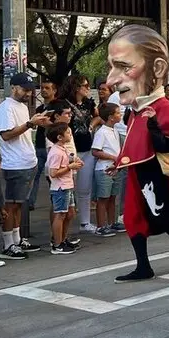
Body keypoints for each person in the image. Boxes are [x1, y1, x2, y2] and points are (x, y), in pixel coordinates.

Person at [106, 24, 169, 283]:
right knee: (134, 220)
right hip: (138, 174)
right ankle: (143, 265)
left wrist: (155, 131)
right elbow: (133, 145)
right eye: (111, 68)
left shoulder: (164, 108)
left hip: (158, 174)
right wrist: (118, 162)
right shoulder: (135, 110)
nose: (111, 80)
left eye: (124, 67)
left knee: (168, 218)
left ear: (157, 69)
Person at [0, 73, 48, 259]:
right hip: (15, 164)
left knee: (19, 205)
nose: (28, 92)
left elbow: (23, 131)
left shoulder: (22, 107)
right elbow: (6, 135)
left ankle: (17, 240)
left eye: (30, 89)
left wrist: (36, 123)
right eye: (25, 89)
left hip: (27, 161)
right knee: (11, 205)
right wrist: (29, 123)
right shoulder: (6, 108)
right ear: (14, 88)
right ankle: (8, 245)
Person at [59, 74, 100, 234]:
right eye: (85, 86)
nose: (88, 89)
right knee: (66, 187)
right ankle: (62, 225)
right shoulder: (63, 104)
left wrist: (91, 125)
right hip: (69, 149)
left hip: (87, 148)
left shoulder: (89, 103)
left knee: (85, 187)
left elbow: (98, 117)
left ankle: (85, 222)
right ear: (76, 87)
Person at [47, 124, 80, 254]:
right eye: (67, 132)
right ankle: (57, 244)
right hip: (60, 187)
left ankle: (63, 238)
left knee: (70, 213)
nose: (70, 134)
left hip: (67, 185)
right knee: (60, 214)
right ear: (59, 137)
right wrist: (70, 167)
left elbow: (67, 163)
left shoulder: (63, 149)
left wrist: (74, 163)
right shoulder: (55, 152)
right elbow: (53, 173)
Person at [90, 103, 121, 237]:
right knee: (103, 198)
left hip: (115, 168)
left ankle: (112, 222)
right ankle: (101, 226)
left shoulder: (115, 130)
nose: (120, 115)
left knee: (113, 197)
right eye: (118, 113)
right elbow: (96, 151)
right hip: (104, 168)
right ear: (110, 117)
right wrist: (113, 157)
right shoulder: (101, 132)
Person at [27, 79, 57, 211]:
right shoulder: (39, 108)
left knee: (53, 176)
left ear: (54, 90)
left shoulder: (59, 106)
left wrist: (48, 122)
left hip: (53, 146)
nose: (43, 90)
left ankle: (57, 201)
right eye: (42, 88)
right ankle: (30, 202)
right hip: (39, 145)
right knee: (34, 175)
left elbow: (62, 125)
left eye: (47, 88)